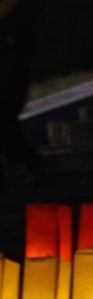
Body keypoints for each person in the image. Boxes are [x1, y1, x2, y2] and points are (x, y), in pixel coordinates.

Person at [0, 0, 43, 190]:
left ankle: (32, 162)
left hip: (13, 56)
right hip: (12, 53)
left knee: (4, 117)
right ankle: (30, 162)